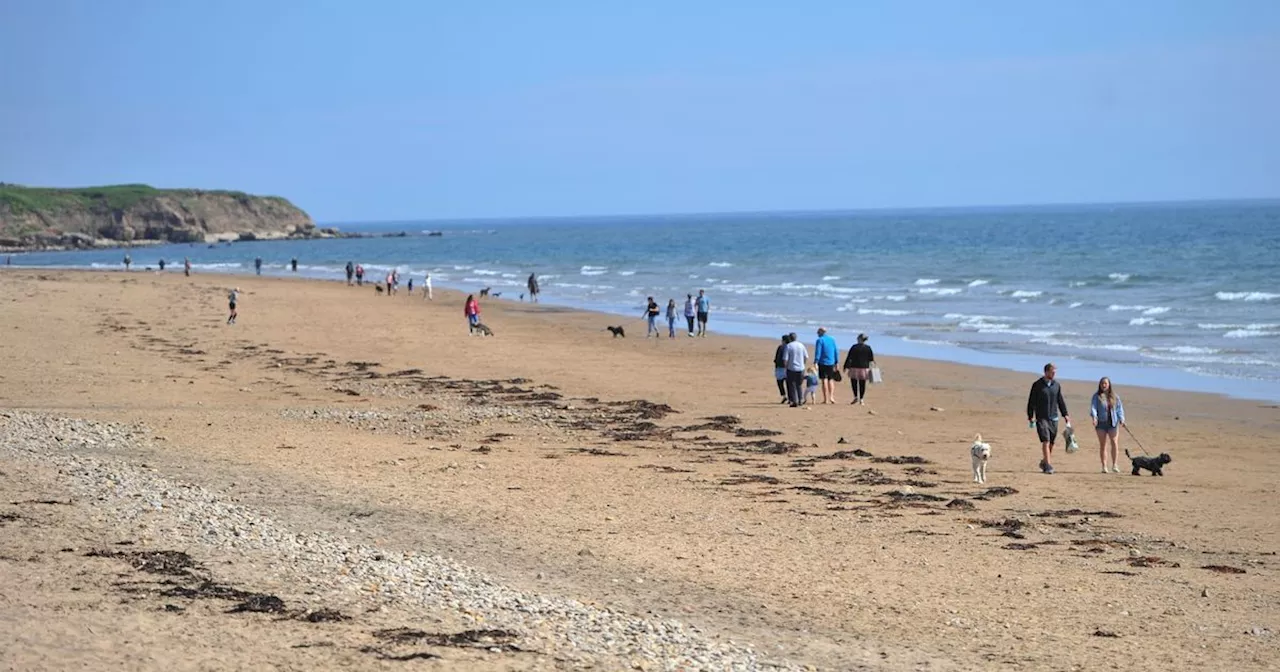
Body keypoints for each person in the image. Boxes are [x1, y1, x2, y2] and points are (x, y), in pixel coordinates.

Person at [1027, 363, 1071, 475]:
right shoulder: (1037, 385)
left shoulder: (1056, 385)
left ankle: (1044, 462)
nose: (1054, 374)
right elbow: (1031, 401)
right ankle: (1048, 466)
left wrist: (1065, 414)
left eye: (1055, 372)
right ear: (1046, 372)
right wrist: (1030, 416)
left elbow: (1060, 400)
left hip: (1054, 417)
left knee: (1051, 442)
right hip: (1041, 417)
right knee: (1045, 441)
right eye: (1052, 372)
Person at [1091, 377, 1126, 473]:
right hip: (1101, 423)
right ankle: (1104, 466)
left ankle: (1115, 464)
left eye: (1105, 383)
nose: (1104, 385)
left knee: (1114, 442)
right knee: (1103, 444)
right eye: (1102, 383)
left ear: (1109, 384)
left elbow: (1119, 409)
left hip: (1113, 423)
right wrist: (1094, 417)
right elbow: (1093, 408)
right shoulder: (1096, 396)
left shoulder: (1115, 396)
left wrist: (1122, 419)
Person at [842, 333, 875, 405]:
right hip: (864, 368)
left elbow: (849, 357)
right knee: (862, 384)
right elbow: (871, 359)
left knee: (854, 382)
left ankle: (856, 397)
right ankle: (862, 399)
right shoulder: (868, 347)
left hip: (854, 367)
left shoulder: (854, 347)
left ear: (859, 339)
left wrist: (845, 366)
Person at [814, 327, 840, 404]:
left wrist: (816, 361)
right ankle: (831, 396)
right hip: (831, 362)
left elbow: (818, 351)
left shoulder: (820, 340)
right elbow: (836, 351)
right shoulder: (832, 339)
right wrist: (837, 361)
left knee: (824, 380)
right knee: (830, 379)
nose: (817, 333)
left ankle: (826, 399)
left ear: (821, 332)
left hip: (822, 362)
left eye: (818, 332)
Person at [783, 332, 809, 408]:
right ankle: (800, 399)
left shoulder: (789, 346)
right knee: (799, 384)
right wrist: (803, 364)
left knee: (792, 385)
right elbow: (806, 356)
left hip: (791, 368)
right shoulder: (801, 345)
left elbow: (785, 359)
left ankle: (795, 401)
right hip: (801, 368)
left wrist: (786, 367)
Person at [773, 335, 790, 403]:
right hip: (788, 367)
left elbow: (776, 358)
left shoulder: (780, 347)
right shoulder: (790, 347)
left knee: (780, 383)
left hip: (780, 367)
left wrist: (776, 365)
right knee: (788, 384)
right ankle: (790, 397)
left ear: (784, 340)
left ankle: (784, 396)